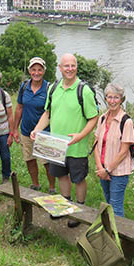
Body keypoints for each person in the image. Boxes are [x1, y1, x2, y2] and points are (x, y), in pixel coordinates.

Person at [31, 53, 99, 228]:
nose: (69, 69)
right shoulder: (53, 88)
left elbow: (93, 118)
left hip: (77, 147)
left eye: (73, 65)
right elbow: (48, 114)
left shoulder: (84, 90)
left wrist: (80, 136)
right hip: (56, 145)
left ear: (76, 67)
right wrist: (37, 130)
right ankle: (64, 207)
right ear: (60, 68)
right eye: (66, 66)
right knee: (61, 175)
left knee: (78, 179)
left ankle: (79, 211)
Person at [12, 57, 56, 194]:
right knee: (29, 159)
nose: (36, 73)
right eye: (33, 69)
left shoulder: (49, 88)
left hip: (44, 133)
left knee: (47, 162)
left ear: (44, 71)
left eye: (39, 70)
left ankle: (52, 188)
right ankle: (35, 184)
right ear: (29, 70)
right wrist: (15, 129)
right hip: (26, 131)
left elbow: (52, 112)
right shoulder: (24, 87)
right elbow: (19, 107)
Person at [93, 84, 134, 217]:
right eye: (109, 97)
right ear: (105, 98)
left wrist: (107, 170)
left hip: (119, 172)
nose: (112, 101)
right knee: (108, 203)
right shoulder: (102, 118)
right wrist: (100, 168)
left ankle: (117, 236)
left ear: (121, 99)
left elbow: (124, 151)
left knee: (115, 207)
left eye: (116, 97)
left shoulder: (126, 122)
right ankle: (109, 232)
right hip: (103, 169)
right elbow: (96, 144)